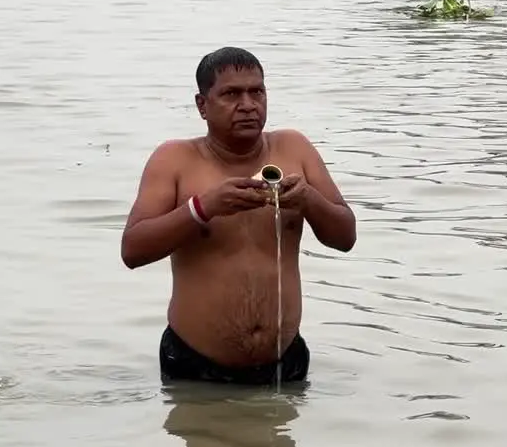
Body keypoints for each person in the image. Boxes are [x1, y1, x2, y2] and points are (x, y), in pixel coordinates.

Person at [120, 47, 357, 385]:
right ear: (202, 105)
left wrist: (309, 200)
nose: (248, 104)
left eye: (256, 91)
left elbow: (345, 237)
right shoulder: (174, 159)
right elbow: (132, 250)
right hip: (196, 367)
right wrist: (203, 208)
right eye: (231, 94)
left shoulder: (294, 148)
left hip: (284, 364)